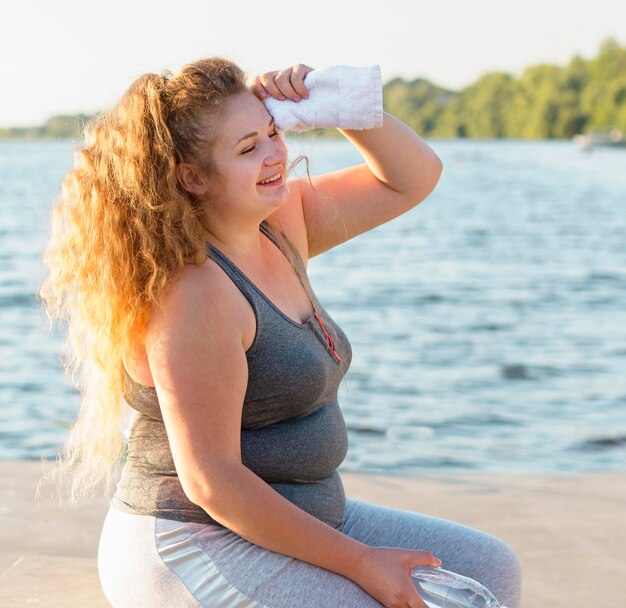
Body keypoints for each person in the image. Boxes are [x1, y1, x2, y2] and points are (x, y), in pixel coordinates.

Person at [39, 57, 521, 608]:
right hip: (193, 542)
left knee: (490, 569)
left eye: (273, 132)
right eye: (248, 149)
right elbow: (212, 482)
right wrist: (363, 564)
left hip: (305, 516)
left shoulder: (280, 220)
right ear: (191, 177)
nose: (275, 154)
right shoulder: (196, 296)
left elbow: (412, 178)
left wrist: (341, 106)